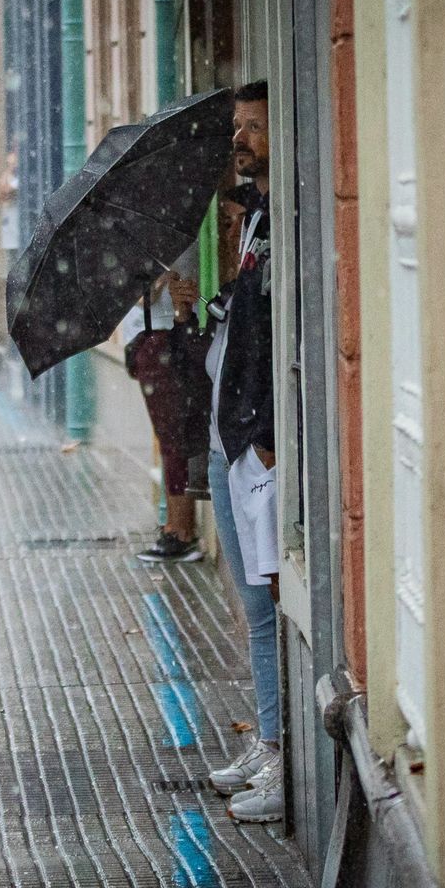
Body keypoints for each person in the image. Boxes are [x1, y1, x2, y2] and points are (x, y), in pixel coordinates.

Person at [170, 80, 283, 823]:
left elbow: (277, 338)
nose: (240, 140)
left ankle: (279, 754)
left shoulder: (280, 224)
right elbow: (238, 332)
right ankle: (268, 740)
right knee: (251, 607)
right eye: (238, 127)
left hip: (255, 446)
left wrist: (266, 440)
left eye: (252, 127)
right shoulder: (250, 226)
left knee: (269, 608)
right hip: (227, 439)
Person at [125, 268, 211, 564]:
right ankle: (175, 527)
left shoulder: (171, 240)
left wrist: (159, 282)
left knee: (177, 438)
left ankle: (182, 533)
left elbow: (146, 296)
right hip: (150, 342)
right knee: (169, 440)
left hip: (168, 341)